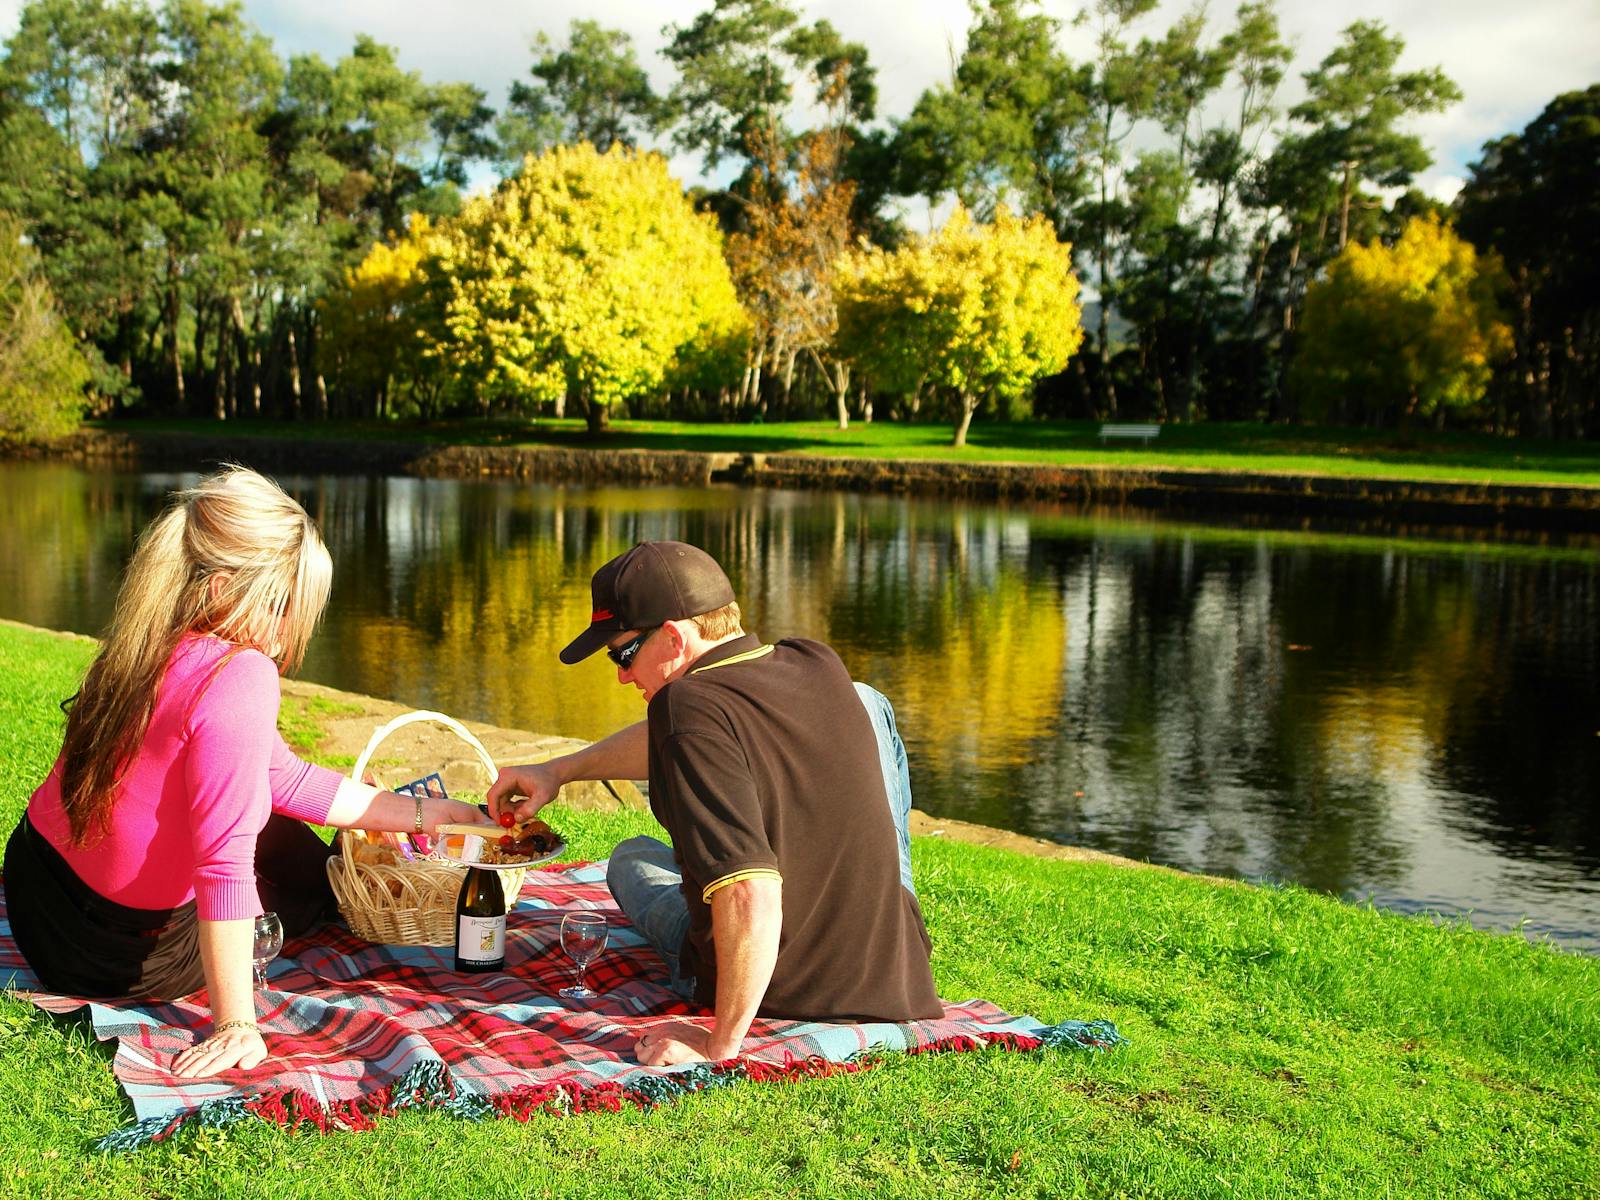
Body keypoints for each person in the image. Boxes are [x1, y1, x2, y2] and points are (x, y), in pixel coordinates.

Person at [4, 466, 492, 1079]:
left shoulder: (145, 635)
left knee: (277, 826)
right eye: (285, 606)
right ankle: (322, 907)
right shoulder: (239, 676)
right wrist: (236, 1023)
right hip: (116, 957)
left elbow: (278, 776)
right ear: (231, 590)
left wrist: (423, 812)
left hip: (35, 894)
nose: (290, 633)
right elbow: (224, 864)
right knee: (304, 872)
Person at [488, 540, 942, 1067]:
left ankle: (733, 1005)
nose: (621, 675)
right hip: (894, 967)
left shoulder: (685, 709)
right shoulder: (811, 659)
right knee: (866, 699)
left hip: (785, 988)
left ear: (676, 638)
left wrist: (718, 1044)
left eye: (622, 654)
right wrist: (559, 771)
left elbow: (749, 890)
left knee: (630, 858)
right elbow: (676, 733)